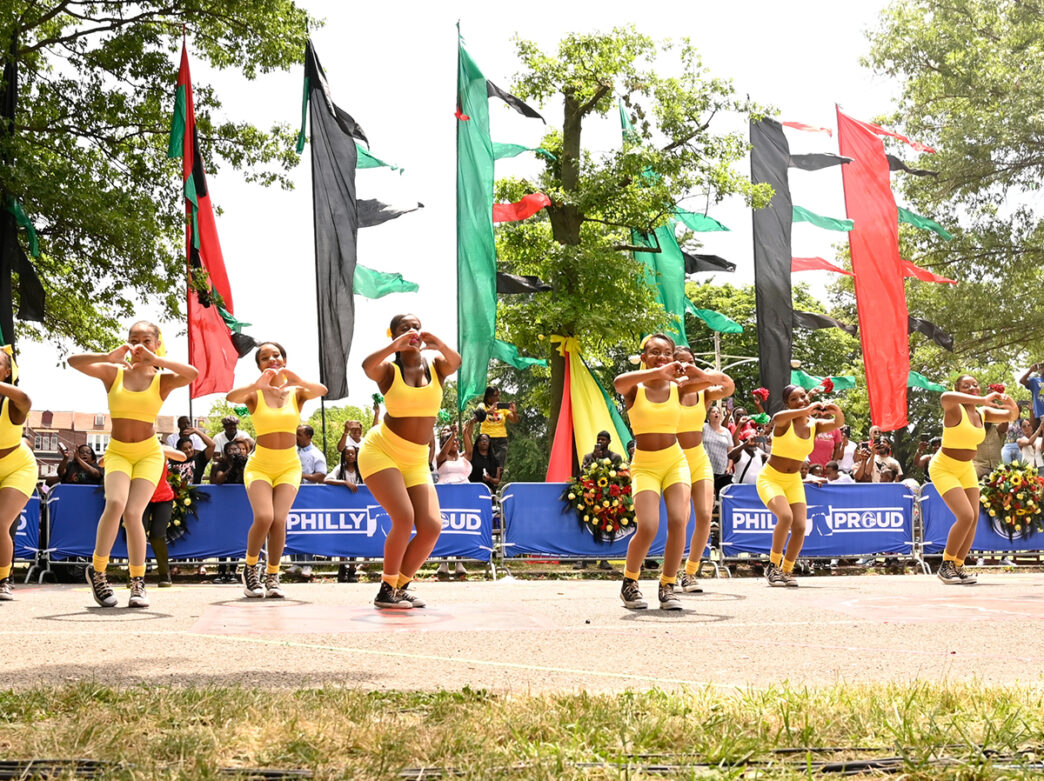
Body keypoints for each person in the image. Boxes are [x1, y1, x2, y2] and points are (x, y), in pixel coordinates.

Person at [69, 321, 198, 608]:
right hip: (118, 452)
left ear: (155, 343)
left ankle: (137, 582)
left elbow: (192, 374)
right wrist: (108, 356)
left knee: (134, 512)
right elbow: (73, 361)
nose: (139, 345)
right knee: (115, 504)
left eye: (146, 340)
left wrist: (157, 360)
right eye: (134, 339)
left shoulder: (160, 379)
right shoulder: (114, 373)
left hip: (149, 453)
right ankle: (98, 572)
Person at [359, 313, 461, 609]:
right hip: (382, 451)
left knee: (431, 527)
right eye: (405, 328)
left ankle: (400, 586)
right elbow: (368, 367)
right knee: (403, 518)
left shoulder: (437, 367)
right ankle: (385, 589)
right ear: (393, 334)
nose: (413, 331)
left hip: (416, 459)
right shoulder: (389, 370)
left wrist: (437, 342)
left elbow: (455, 362)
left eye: (416, 326)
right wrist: (395, 347)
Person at [227, 341, 327, 599]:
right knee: (264, 517)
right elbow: (231, 398)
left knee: (279, 520)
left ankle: (273, 575)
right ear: (259, 365)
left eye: (276, 355)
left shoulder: (297, 392)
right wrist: (255, 385)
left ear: (284, 359)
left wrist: (297, 379)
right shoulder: (254, 393)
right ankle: (250, 568)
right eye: (264, 358)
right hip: (260, 465)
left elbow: (322, 389)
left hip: (288, 466)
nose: (271, 359)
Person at [614, 333, 695, 611]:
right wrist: (658, 371)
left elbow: (724, 385)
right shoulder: (635, 387)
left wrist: (693, 371)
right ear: (644, 357)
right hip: (645, 465)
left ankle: (668, 585)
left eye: (667, 353)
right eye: (655, 352)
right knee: (648, 526)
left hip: (675, 461)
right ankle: (630, 582)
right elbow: (618, 383)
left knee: (677, 520)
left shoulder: (679, 388)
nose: (662, 357)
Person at [930, 374, 1018, 585]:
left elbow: (1011, 415)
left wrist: (1009, 402)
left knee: (974, 517)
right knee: (965, 515)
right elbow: (945, 396)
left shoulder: (983, 412)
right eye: (966, 386)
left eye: (975, 385)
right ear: (958, 389)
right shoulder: (954, 408)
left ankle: (958, 565)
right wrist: (984, 399)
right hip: (944, 467)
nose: (972, 387)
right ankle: (946, 565)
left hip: (965, 468)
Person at [757, 384, 844, 587]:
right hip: (771, 478)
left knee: (800, 526)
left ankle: (787, 570)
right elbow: (777, 417)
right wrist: (805, 410)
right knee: (785, 517)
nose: (801, 401)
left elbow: (837, 423)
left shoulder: (814, 425)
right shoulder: (784, 422)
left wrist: (836, 411)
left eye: (803, 397)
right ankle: (773, 566)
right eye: (794, 399)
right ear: (788, 404)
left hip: (793, 480)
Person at [673, 345, 734, 594]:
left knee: (705, 516)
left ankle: (689, 573)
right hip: (675, 458)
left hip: (699, 458)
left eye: (691, 361)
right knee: (680, 519)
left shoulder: (704, 393)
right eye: (681, 362)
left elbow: (728, 386)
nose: (686, 366)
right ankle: (670, 572)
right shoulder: (670, 390)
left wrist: (699, 373)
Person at [0, 351, 37, 601]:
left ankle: (3, 580)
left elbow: (26, 399)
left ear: (7, 372)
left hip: (17, 466)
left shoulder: (13, 402)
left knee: (0, 522)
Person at [143, 446, 187, 588]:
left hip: (163, 498)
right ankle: (135, 576)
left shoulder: (159, 448)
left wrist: (158, 448)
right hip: (141, 497)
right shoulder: (136, 449)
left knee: (157, 535)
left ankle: (164, 575)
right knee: (137, 534)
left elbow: (182, 456)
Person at [434, 424, 472, 579]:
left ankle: (459, 562)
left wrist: (464, 434)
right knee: (445, 527)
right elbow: (443, 452)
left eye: (457, 441)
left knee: (460, 528)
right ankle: (443, 563)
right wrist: (452, 434)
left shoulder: (463, 458)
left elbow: (470, 452)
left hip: (462, 497)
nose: (456, 443)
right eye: (452, 441)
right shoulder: (440, 457)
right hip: (445, 497)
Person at [208, 440, 246, 584]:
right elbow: (218, 480)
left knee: (235, 537)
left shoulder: (244, 463)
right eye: (230, 450)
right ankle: (221, 570)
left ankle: (233, 571)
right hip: (222, 504)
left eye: (236, 450)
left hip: (238, 504)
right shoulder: (220, 464)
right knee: (223, 537)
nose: (234, 453)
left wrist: (240, 466)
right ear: (225, 452)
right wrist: (231, 468)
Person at [476, 386, 517, 472]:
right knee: (485, 464)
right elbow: (477, 417)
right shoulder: (482, 406)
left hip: (501, 440)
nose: (498, 398)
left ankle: (496, 483)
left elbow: (515, 420)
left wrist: (514, 412)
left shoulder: (502, 408)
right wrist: (488, 411)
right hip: (486, 439)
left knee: (499, 465)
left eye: (498, 395)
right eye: (495, 395)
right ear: (488, 397)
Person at [702, 405, 734, 497]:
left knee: (722, 496)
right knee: (707, 495)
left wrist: (729, 466)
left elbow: (730, 451)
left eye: (718, 412)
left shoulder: (726, 432)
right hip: (706, 467)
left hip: (723, 469)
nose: (716, 413)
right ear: (708, 415)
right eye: (713, 412)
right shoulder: (703, 428)